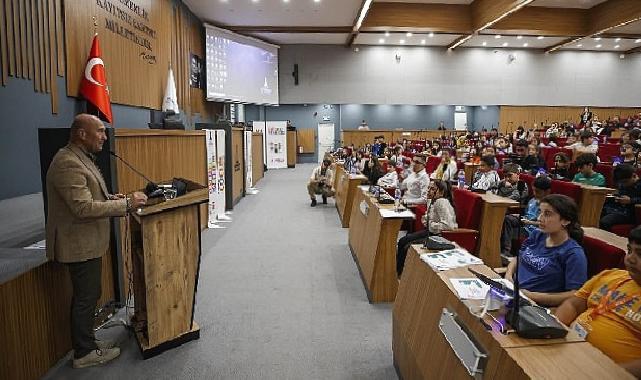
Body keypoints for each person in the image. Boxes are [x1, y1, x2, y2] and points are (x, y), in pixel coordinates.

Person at [46, 114, 147, 368]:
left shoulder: (79, 158)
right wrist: (124, 204)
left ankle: (87, 342)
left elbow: (89, 195)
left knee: (90, 295)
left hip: (87, 241)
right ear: (82, 134)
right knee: (85, 299)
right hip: (77, 244)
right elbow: (82, 208)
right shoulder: (68, 162)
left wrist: (111, 197)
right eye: (100, 131)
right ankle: (83, 353)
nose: (104, 136)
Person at [555, 226, 641, 376]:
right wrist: (554, 331)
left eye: (640, 254)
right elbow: (573, 304)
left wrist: (606, 373)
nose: (630, 258)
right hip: (567, 352)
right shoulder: (611, 275)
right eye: (629, 250)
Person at [505, 195, 588, 307]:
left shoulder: (573, 254)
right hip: (511, 291)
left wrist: (531, 296)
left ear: (566, 220)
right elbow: (518, 257)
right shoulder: (537, 235)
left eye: (547, 214)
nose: (539, 218)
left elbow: (575, 294)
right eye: (540, 212)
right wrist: (508, 275)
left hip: (533, 306)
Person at [396, 180, 458, 276]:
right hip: (430, 231)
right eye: (428, 188)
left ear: (441, 192)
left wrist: (431, 224)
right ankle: (398, 271)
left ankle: (403, 275)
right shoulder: (432, 200)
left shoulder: (442, 202)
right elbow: (426, 219)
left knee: (408, 247)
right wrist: (428, 221)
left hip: (439, 237)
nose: (428, 191)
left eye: (432, 189)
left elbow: (449, 226)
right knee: (403, 240)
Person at [500, 175, 552, 257]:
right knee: (507, 218)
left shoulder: (549, 205)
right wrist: (518, 216)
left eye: (538, 192)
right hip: (525, 224)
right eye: (534, 191)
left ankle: (506, 251)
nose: (535, 193)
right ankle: (504, 252)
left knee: (506, 232)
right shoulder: (532, 200)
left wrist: (529, 222)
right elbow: (526, 214)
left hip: (533, 230)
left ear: (547, 191)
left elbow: (545, 224)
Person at [600, 164, 641, 231]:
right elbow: (619, 193)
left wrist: (631, 200)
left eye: (625, 182)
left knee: (605, 221)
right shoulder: (622, 183)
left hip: (630, 213)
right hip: (616, 208)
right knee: (596, 213)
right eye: (621, 182)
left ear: (634, 176)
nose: (623, 184)